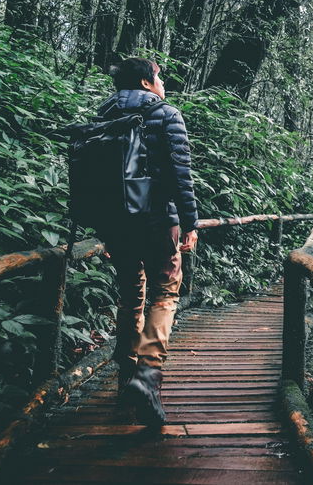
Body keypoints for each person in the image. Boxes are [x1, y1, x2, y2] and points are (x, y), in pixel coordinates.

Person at [96, 57, 199, 427]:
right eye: (159, 77)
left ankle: (126, 376)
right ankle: (148, 375)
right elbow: (180, 173)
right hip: (158, 220)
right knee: (165, 292)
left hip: (116, 224)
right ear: (145, 81)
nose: (163, 83)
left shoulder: (102, 114)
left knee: (130, 294)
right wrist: (190, 223)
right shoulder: (166, 114)